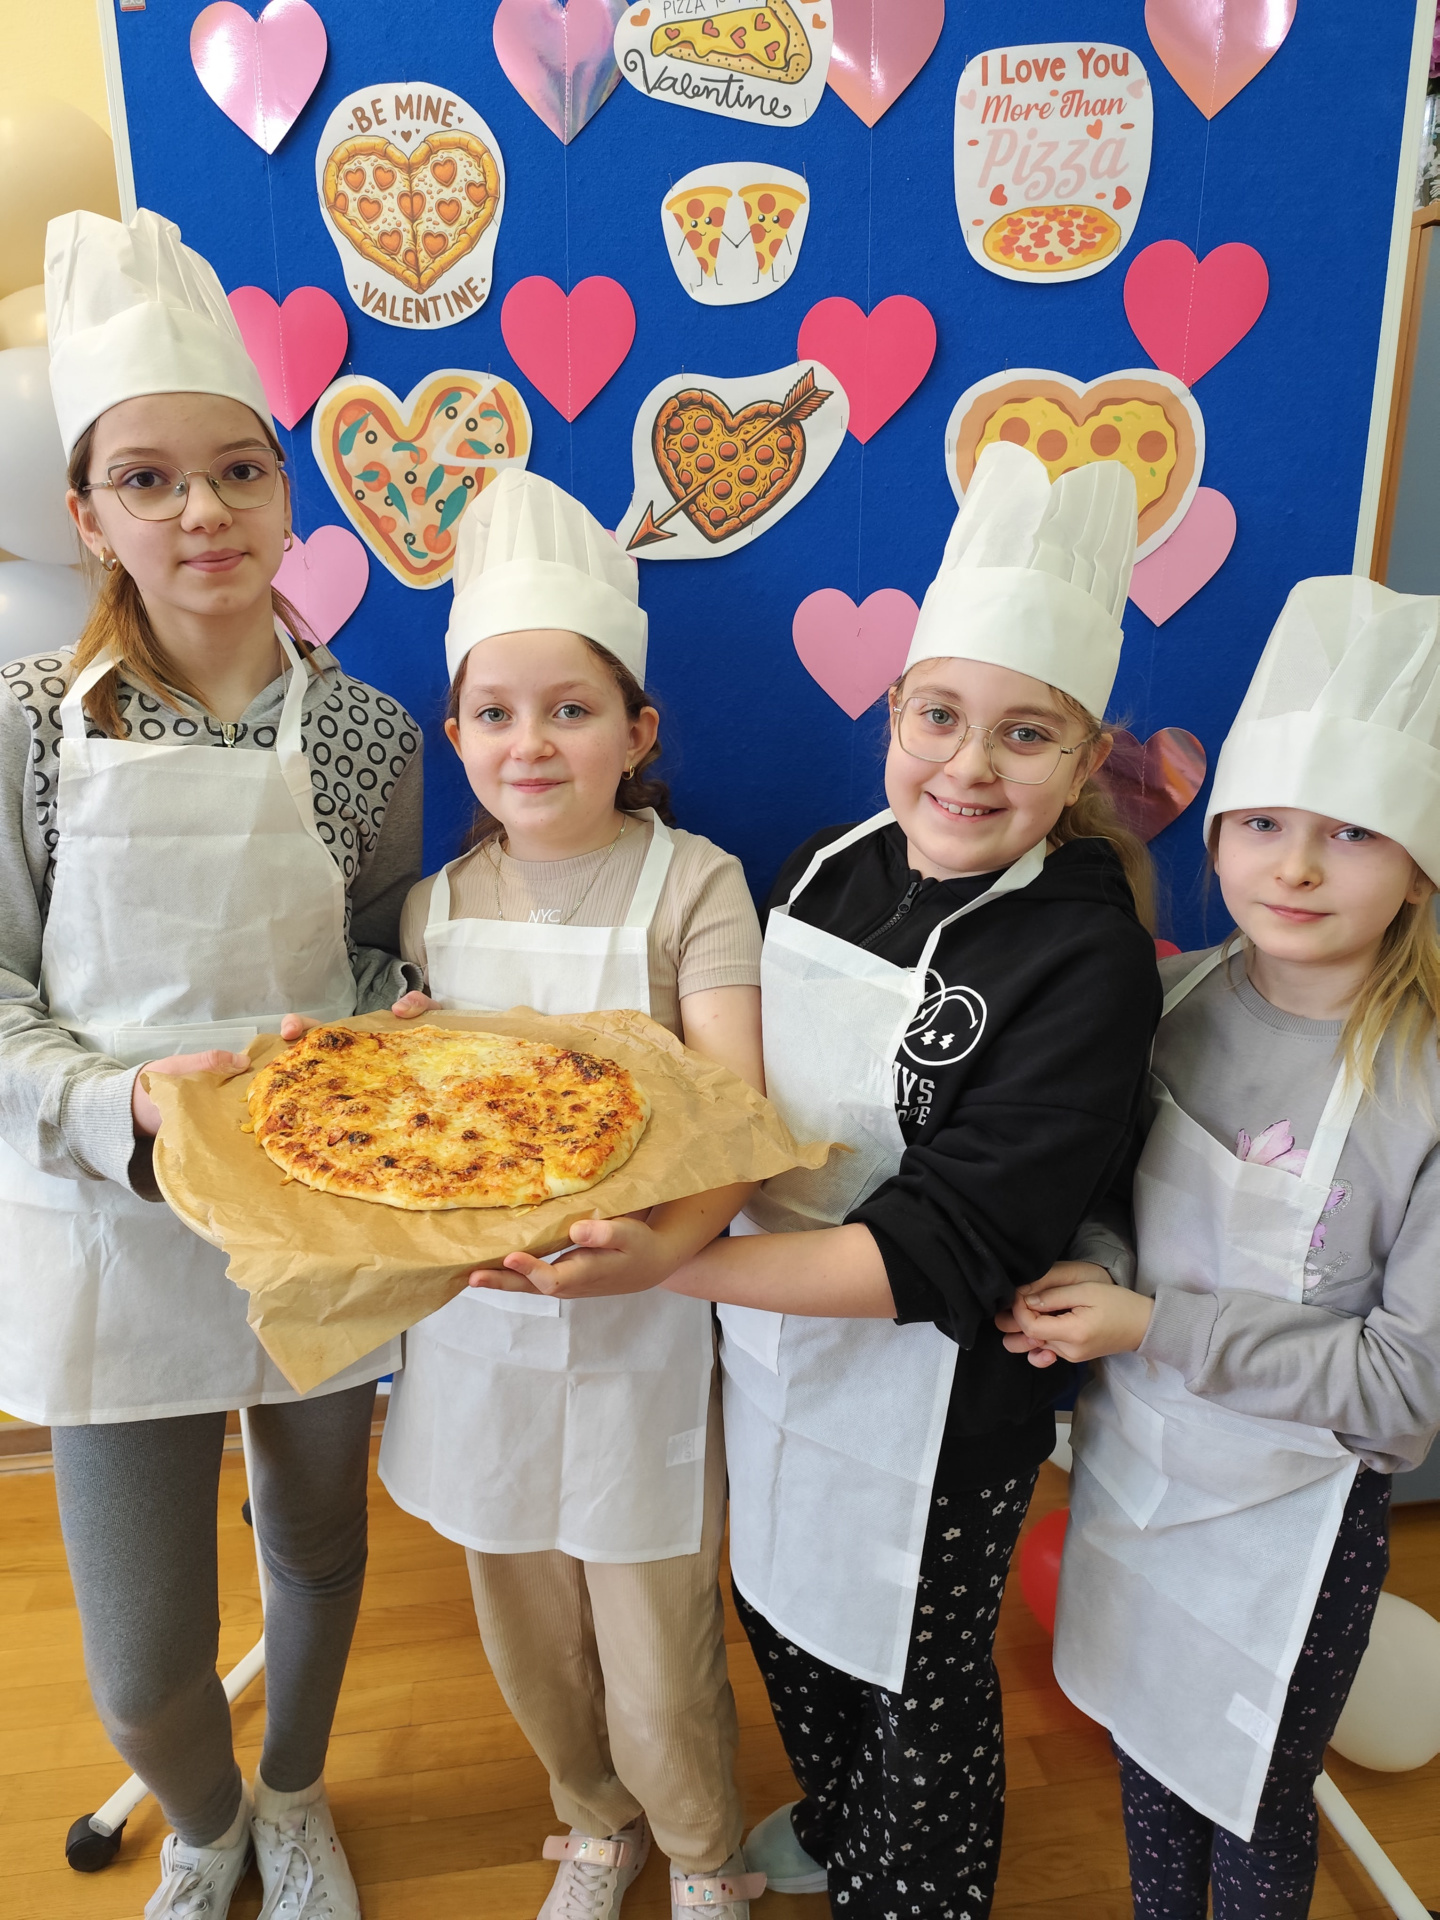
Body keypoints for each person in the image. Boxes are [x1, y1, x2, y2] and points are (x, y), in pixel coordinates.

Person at [492, 442, 1164, 1920]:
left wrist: (667, 1264)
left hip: (940, 1394)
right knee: (786, 1614)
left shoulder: (1086, 954)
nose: (968, 767)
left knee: (919, 1673)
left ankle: (914, 1883)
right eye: (940, 716)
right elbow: (710, 1096)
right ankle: (842, 1814)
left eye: (1026, 735)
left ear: (1082, 759)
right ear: (894, 710)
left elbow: (948, 1243)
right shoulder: (822, 867)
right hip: (769, 1353)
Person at [0, 209, 422, 1920]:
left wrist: (396, 1023)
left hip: (313, 1220)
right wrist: (121, 1107)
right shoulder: (30, 723)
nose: (204, 511)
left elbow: (378, 947)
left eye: (239, 470)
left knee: (318, 1545)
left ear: (286, 491)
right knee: (139, 1662)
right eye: (150, 479)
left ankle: (296, 1793)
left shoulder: (369, 731)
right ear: (88, 514)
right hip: (110, 1219)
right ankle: (204, 1818)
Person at [1004, 575, 1440, 1920]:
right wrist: (1095, 1267)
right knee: (1148, 1748)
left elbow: (1405, 1391)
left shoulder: (1423, 1089)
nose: (1294, 868)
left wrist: (1152, 1326)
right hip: (1140, 1476)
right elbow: (1112, 1196)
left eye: (1351, 832)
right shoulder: (1170, 998)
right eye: (1262, 823)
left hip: (1294, 1523)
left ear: (1421, 859)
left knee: (1254, 1795)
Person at [374, 469, 767, 1920]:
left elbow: (736, 1126)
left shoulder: (694, 886)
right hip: (476, 1328)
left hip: (645, 1314)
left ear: (636, 731)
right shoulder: (433, 907)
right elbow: (420, 1135)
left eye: (570, 708)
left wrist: (658, 1255)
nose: (528, 742)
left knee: (657, 1637)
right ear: (456, 735)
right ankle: (594, 1826)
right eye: (493, 711)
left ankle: (706, 1853)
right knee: (525, 1620)